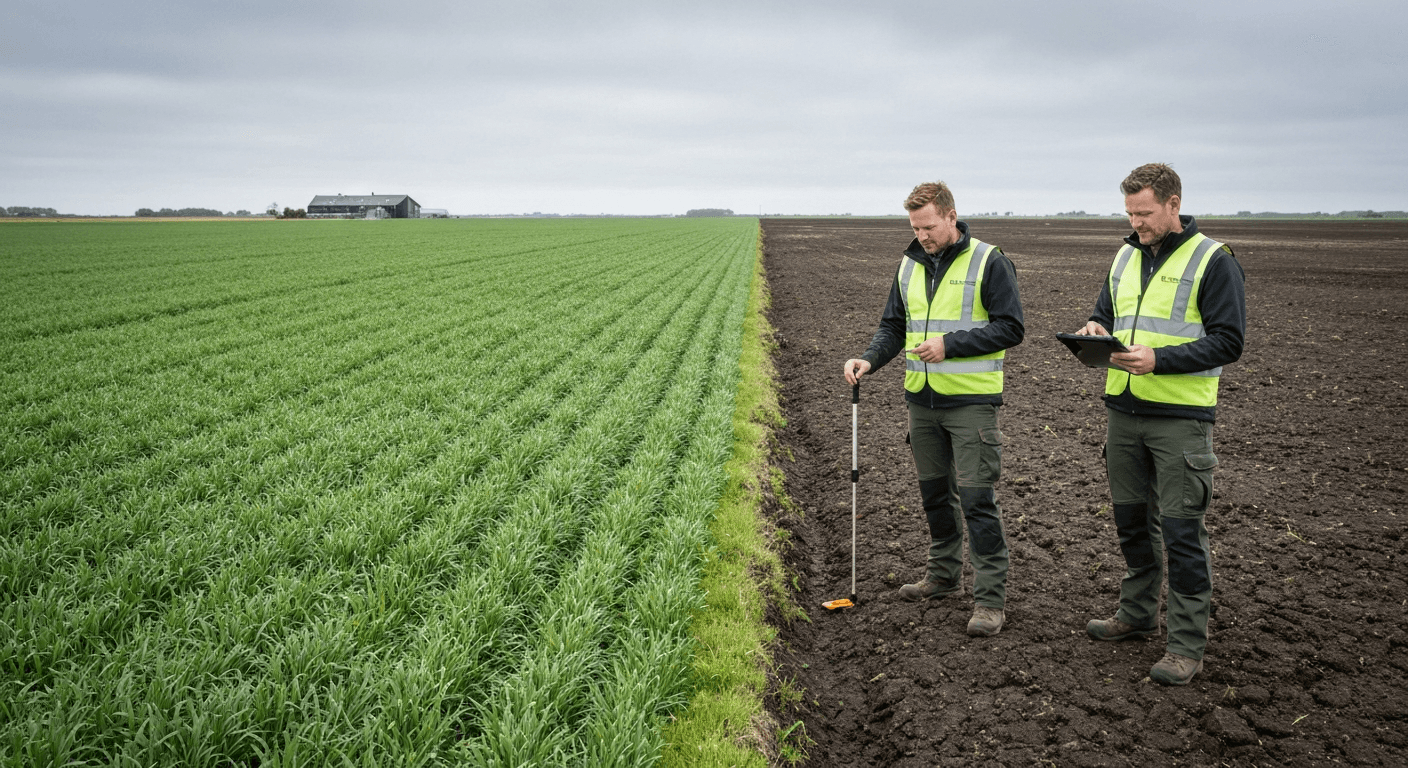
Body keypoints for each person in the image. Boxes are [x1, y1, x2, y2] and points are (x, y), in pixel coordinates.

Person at [1074, 163, 1246, 685]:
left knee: (1181, 529)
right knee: (1131, 522)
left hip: (1180, 418)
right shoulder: (1125, 254)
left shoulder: (1213, 260)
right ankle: (1138, 613)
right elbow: (1106, 312)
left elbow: (1229, 340)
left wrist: (1160, 360)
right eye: (1129, 212)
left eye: (1144, 213)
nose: (1136, 222)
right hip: (1122, 412)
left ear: (1174, 204)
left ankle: (1187, 645)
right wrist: (1094, 328)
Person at [843, 181, 1024, 637]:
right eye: (915, 228)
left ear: (950, 215)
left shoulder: (988, 261)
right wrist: (870, 359)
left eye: (928, 226)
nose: (921, 235)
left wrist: (952, 346)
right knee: (934, 495)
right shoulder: (908, 264)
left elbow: (1011, 328)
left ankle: (989, 600)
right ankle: (943, 577)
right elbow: (893, 325)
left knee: (978, 500)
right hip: (921, 403)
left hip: (971, 404)